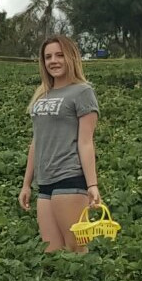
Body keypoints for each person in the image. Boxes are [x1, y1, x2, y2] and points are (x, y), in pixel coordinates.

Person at [18, 36, 101, 253]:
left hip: (69, 176)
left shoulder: (82, 92)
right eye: (48, 57)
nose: (53, 61)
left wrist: (92, 185)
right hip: (45, 181)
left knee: (76, 248)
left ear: (71, 57)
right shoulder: (42, 95)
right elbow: (36, 141)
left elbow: (86, 141)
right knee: (51, 252)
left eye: (59, 55)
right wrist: (27, 184)